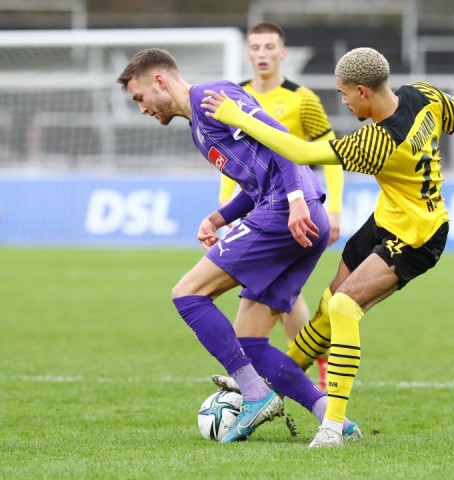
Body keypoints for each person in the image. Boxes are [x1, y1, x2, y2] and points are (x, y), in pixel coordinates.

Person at [201, 46, 454, 448]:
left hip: (418, 237)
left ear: (362, 91)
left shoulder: (375, 141)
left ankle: (333, 425)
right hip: (385, 221)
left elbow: (301, 152)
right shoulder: (425, 96)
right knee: (328, 308)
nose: (343, 102)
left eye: (344, 94)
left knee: (344, 307)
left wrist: (238, 118)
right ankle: (268, 391)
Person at [116, 48, 361, 444]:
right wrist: (219, 218)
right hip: (297, 213)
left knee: (188, 294)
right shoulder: (198, 128)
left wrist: (294, 199)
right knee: (251, 341)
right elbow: (256, 181)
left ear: (159, 81)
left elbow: (280, 138)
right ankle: (334, 421)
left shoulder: (210, 97)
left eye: (139, 97)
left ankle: (255, 394)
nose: (142, 108)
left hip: (286, 210)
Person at [219, 22, 342, 391]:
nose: (262, 54)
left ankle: (268, 370)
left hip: (293, 206)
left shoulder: (303, 99)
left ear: (282, 53)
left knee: (277, 288)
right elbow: (230, 158)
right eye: (256, 47)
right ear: (248, 53)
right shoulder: (235, 96)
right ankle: (306, 364)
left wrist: (335, 209)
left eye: (269, 47)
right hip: (254, 205)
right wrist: (225, 205)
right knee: (284, 292)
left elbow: (331, 154)